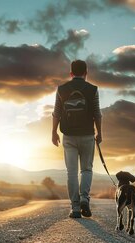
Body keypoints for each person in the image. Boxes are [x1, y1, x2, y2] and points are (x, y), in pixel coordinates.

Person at [51, 60, 102, 218]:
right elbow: (97, 113)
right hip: (87, 135)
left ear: (71, 73)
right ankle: (84, 198)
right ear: (86, 73)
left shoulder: (61, 89)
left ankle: (75, 208)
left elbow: (56, 113)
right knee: (86, 170)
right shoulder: (93, 89)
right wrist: (99, 133)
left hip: (69, 136)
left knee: (71, 173)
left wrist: (53, 132)